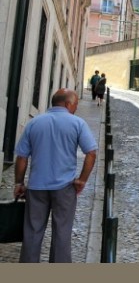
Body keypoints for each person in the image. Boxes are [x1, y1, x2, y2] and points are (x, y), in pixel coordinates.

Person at [13, 89, 98, 263]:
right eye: (75, 104)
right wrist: (82, 180)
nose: (75, 108)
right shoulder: (78, 124)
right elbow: (91, 153)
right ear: (67, 104)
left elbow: (21, 157)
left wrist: (19, 182)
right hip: (64, 188)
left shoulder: (34, 123)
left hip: (36, 187)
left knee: (32, 233)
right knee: (62, 234)